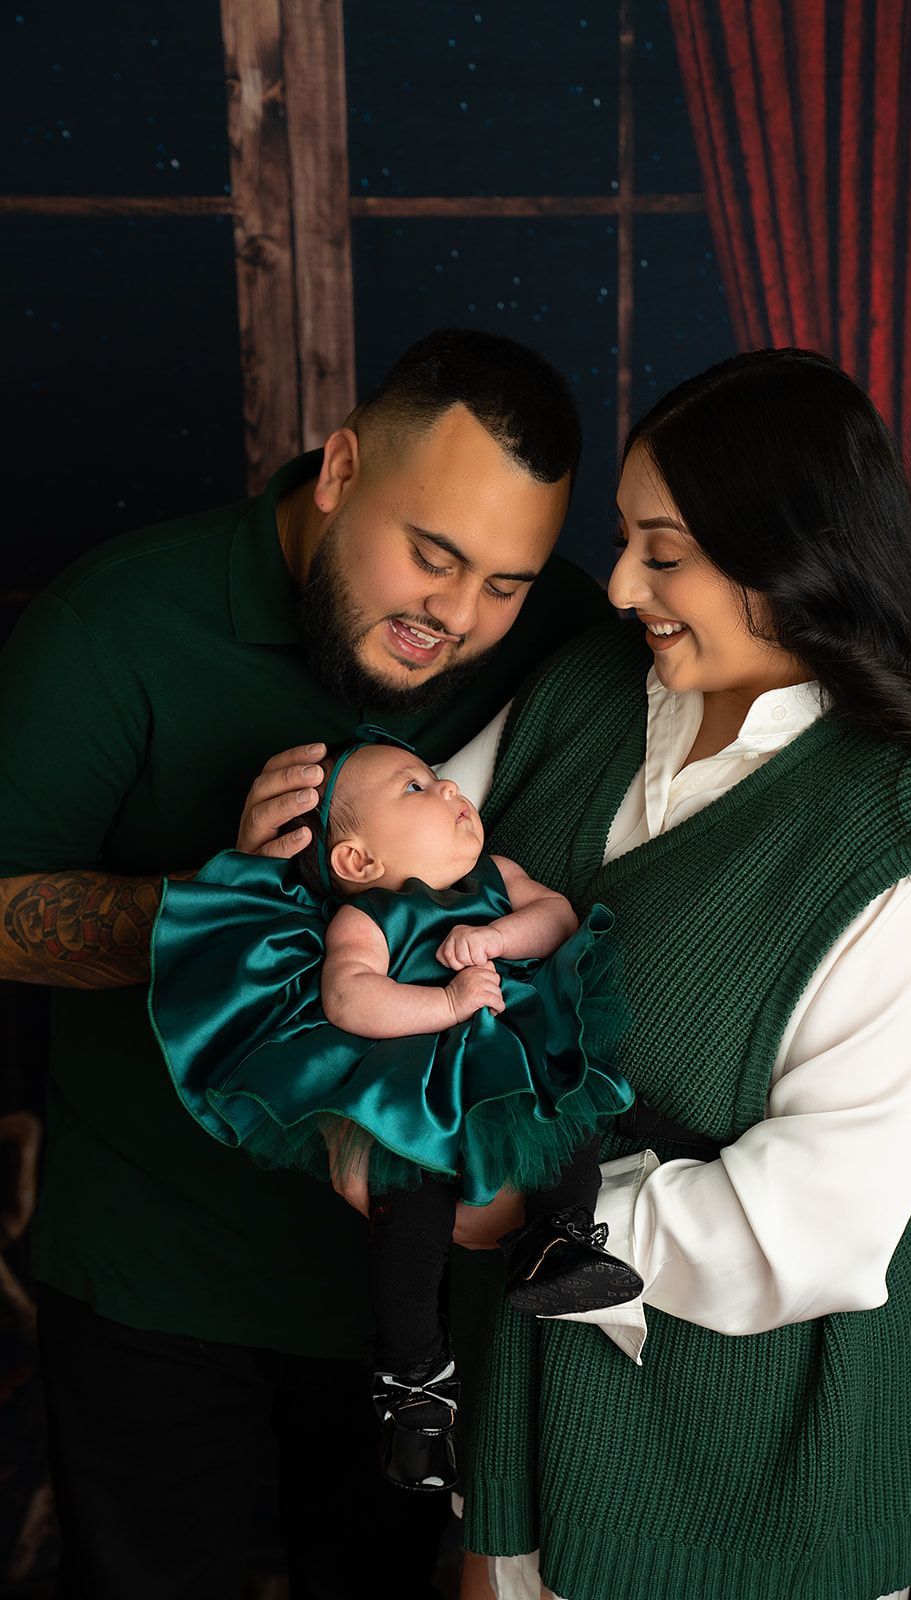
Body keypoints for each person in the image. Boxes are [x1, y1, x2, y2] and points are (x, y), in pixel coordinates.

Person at [396, 347, 911, 1600]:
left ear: (787, 552)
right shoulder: (588, 689)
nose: (615, 587)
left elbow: (807, 1226)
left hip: (751, 1478)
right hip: (524, 1420)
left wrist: (526, 1209)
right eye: (622, 541)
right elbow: (402, 890)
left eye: (663, 549)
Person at [0, 327, 615, 1600]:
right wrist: (223, 914)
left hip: (407, 1303)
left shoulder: (562, 634)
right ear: (338, 469)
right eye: (432, 555)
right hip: (153, 1282)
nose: (456, 617)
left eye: (502, 580)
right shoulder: (117, 621)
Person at [148, 729, 639, 1495]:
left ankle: (560, 1241)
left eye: (441, 781)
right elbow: (346, 997)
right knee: (408, 1223)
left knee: (563, 1120)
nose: (449, 792)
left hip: (506, 1059)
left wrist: (495, 935)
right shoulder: (366, 918)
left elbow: (557, 916)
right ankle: (413, 1379)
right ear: (358, 861)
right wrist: (444, 1000)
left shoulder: (495, 875)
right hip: (414, 1086)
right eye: (414, 788)